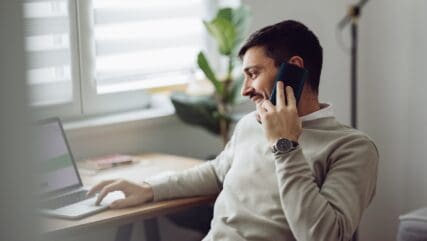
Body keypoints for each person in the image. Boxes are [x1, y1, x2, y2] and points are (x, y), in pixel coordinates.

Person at [88, 20, 379, 241]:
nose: (245, 91)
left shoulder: (352, 148)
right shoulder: (250, 126)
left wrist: (285, 145)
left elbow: (323, 235)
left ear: (294, 68)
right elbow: (216, 172)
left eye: (253, 74)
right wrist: (150, 188)